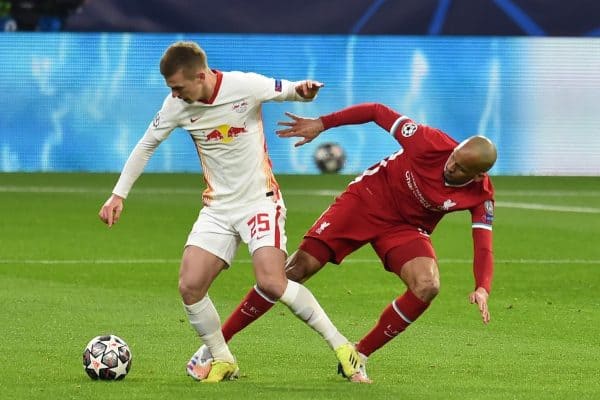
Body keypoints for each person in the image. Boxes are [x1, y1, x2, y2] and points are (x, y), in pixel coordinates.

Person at [98, 41, 366, 383]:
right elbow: (147, 144)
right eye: (171, 89)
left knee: (271, 281)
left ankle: (344, 349)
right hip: (218, 208)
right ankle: (224, 360)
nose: (175, 94)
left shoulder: (243, 85)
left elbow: (287, 90)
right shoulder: (175, 106)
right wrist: (118, 195)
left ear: (200, 75)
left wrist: (305, 91)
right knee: (190, 286)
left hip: (260, 201)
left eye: (179, 87)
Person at [191, 102, 497, 383]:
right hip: (365, 201)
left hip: (406, 228)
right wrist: (322, 123)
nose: (450, 166)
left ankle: (358, 354)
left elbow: (483, 243)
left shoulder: (481, 194)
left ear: (477, 175)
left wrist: (482, 286)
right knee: (293, 271)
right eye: (453, 158)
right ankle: (217, 346)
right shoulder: (429, 141)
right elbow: (377, 111)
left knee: (427, 285)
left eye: (458, 168)